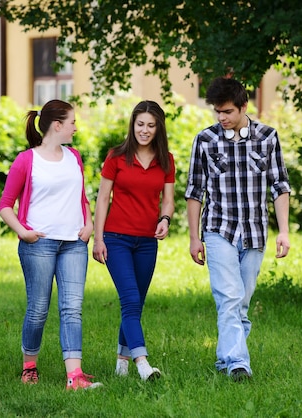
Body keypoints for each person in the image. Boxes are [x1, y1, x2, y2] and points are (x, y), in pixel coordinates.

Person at [185, 77, 291, 382]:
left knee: (241, 303)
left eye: (227, 111)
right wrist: (195, 238)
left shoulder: (268, 137)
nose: (221, 117)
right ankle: (237, 363)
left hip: (255, 232)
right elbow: (195, 191)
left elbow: (280, 186)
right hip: (219, 229)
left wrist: (283, 231)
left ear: (244, 106)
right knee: (229, 296)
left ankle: (226, 358)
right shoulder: (205, 140)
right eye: (217, 112)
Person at [0, 99, 101, 390]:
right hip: (38, 244)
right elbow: (5, 205)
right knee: (39, 309)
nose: (76, 127)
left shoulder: (74, 156)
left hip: (73, 244)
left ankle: (75, 376)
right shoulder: (26, 160)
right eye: (72, 122)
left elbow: (81, 197)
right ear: (57, 125)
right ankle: (29, 366)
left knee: (72, 309)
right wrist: (23, 232)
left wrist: (89, 223)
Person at [92, 100, 175, 381]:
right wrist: (98, 238)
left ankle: (121, 364)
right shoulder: (116, 156)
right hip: (116, 240)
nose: (145, 130)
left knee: (135, 304)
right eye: (140, 124)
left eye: (151, 125)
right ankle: (142, 364)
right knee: (129, 300)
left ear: (158, 128)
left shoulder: (166, 160)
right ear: (133, 124)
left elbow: (168, 201)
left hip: (147, 243)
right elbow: (103, 198)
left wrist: (164, 220)